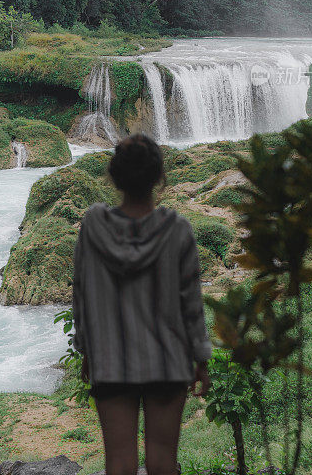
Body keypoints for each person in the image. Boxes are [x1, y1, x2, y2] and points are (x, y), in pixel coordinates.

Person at [72, 133, 212, 475]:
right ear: (159, 178)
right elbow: (191, 304)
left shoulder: (92, 227)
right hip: (167, 359)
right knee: (162, 461)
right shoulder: (177, 230)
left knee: (119, 464)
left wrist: (86, 349)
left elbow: (82, 294)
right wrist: (201, 359)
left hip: (111, 359)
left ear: (114, 178)